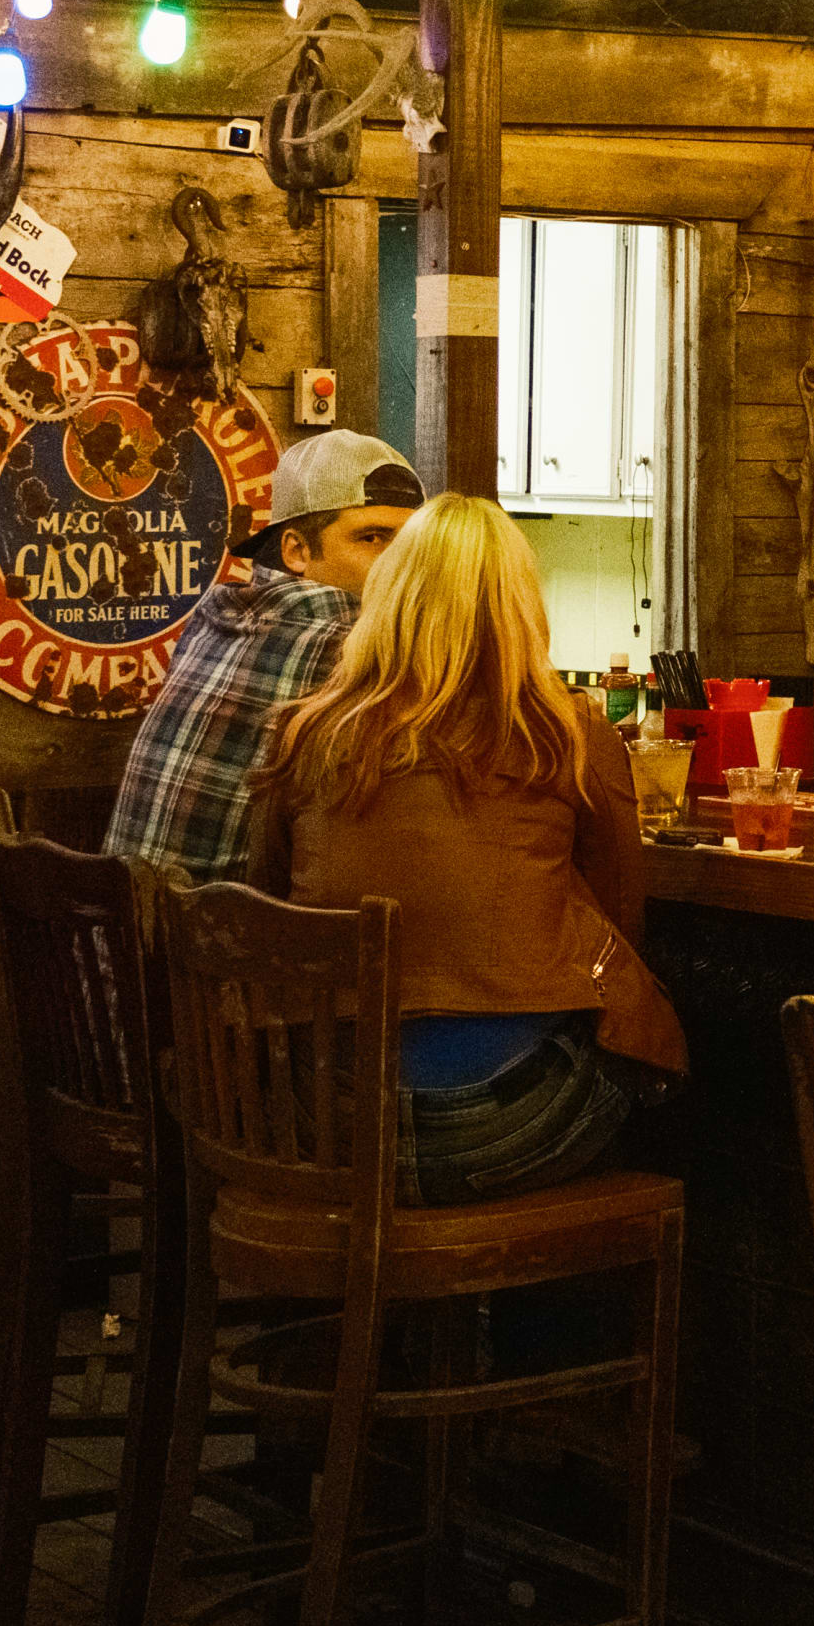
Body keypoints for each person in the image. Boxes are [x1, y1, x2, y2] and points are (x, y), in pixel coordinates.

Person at [252, 495, 683, 1204]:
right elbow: (621, 920)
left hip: (328, 1118)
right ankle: (548, 1304)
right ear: (520, 605)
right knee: (661, 1092)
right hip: (514, 1125)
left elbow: (269, 906)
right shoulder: (569, 734)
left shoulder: (306, 736)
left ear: (389, 598)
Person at [104, 430, 420, 882]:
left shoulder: (217, 615)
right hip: (226, 940)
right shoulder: (352, 641)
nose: (400, 564)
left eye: (411, 545)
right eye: (372, 538)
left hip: (123, 936)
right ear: (296, 550)